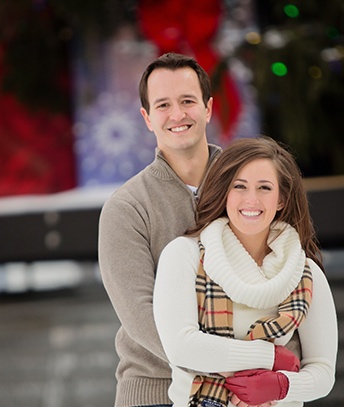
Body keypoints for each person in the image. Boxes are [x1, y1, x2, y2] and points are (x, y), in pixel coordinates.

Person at [98, 53, 301, 407]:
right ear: (147, 118)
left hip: (253, 395)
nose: (177, 115)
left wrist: (281, 376)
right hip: (158, 392)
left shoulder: (250, 188)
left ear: (208, 108)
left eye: (188, 101)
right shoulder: (126, 209)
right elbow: (140, 318)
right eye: (163, 105)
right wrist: (238, 367)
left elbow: (286, 277)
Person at [153, 137, 337, 407]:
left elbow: (323, 372)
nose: (251, 199)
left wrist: (280, 386)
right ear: (224, 192)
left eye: (264, 188)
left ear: (281, 200)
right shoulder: (184, 255)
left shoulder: (304, 272)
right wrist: (271, 358)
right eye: (239, 186)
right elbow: (181, 347)